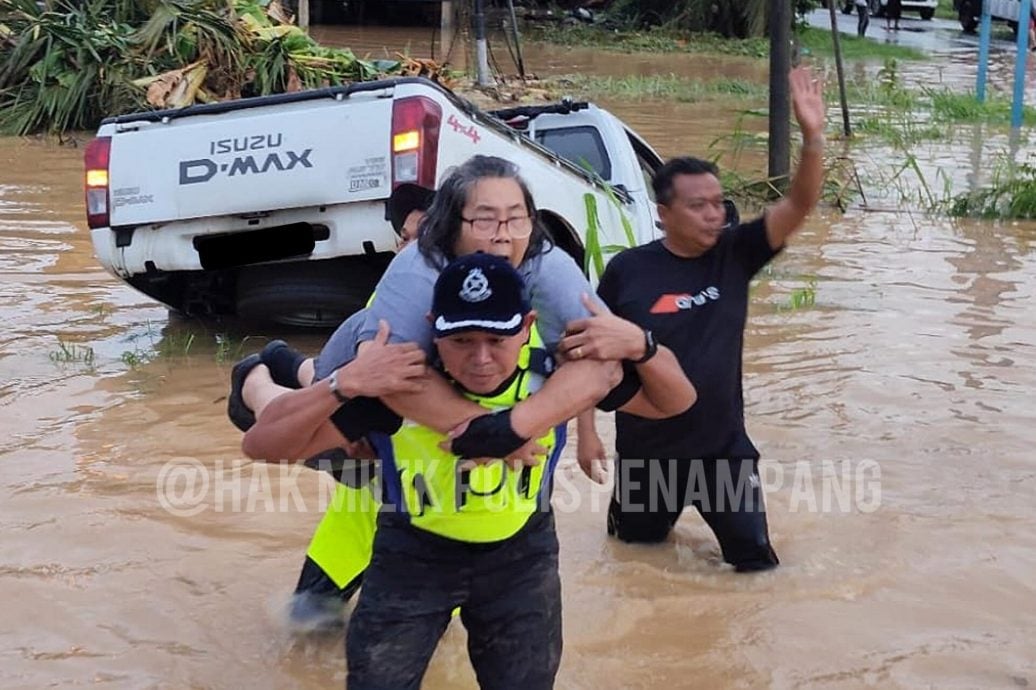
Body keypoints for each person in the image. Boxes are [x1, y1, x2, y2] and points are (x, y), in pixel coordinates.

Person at [563, 66, 827, 573]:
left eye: (718, 203)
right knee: (631, 560)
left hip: (722, 455)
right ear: (664, 213)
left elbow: (799, 204)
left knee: (756, 569)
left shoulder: (737, 253)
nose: (714, 214)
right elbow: (588, 351)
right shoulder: (628, 271)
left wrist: (812, 138)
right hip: (647, 459)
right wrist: (587, 433)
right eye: (698, 205)